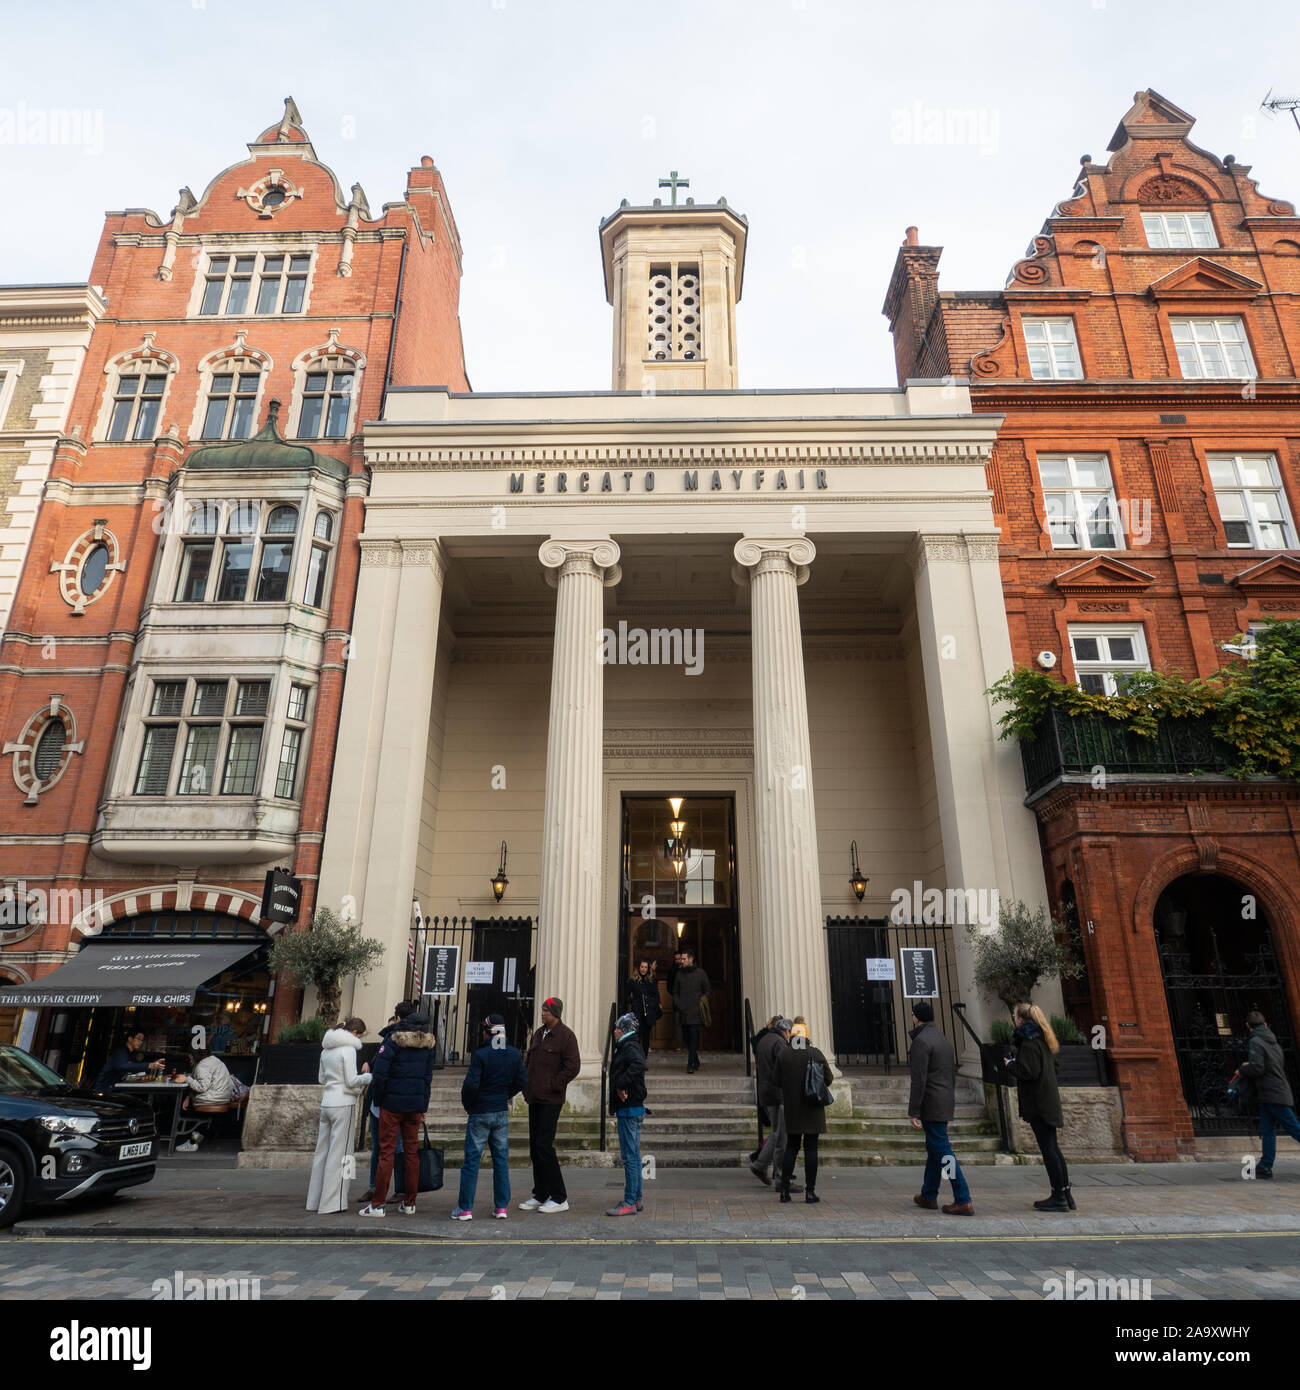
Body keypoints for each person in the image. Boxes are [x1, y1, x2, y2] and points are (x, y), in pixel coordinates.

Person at [361, 1008, 436, 1217]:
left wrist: (379, 1099)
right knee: (411, 1155)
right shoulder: (428, 1047)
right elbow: (427, 1079)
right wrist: (423, 1106)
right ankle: (410, 1202)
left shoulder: (393, 1042)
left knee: (386, 1153)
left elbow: (381, 1073)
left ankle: (377, 1205)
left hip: (392, 1106)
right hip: (414, 1107)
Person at [452, 1014, 528, 1220]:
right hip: (500, 1110)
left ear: (487, 1033)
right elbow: (522, 1080)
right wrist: (506, 1094)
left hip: (480, 1111)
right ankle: (501, 1206)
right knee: (501, 1160)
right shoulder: (513, 1054)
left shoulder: (481, 1055)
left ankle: (465, 1208)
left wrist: (469, 1104)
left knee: (472, 1162)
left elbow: (470, 1085)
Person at [1005, 1002, 1075, 1212]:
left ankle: (1058, 1197)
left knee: (1049, 1150)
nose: (1014, 1018)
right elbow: (1052, 1067)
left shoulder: (1029, 1042)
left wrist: (1009, 1064)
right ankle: (1065, 1193)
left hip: (1039, 1103)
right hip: (1047, 1099)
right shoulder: (1044, 1040)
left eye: (1015, 1015)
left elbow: (1029, 1072)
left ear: (1021, 1020)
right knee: (1053, 1148)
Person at [907, 1001, 972, 1214]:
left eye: (914, 1016)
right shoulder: (943, 1040)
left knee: (943, 1152)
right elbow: (950, 1076)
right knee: (935, 1150)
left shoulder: (921, 1042)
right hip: (944, 1101)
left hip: (931, 1104)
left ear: (916, 1018)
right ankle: (928, 1194)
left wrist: (914, 1111)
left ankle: (962, 1197)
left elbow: (919, 1079)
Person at [520, 997, 581, 1213]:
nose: (542, 1013)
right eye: (543, 1010)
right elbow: (529, 1063)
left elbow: (573, 1066)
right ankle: (541, 1193)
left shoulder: (566, 1036)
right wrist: (526, 1086)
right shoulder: (538, 1033)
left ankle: (559, 1196)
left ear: (555, 1013)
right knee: (535, 1148)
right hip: (534, 1097)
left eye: (546, 1010)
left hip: (551, 1100)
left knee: (545, 1147)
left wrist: (554, 1084)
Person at [306, 1017, 371, 1214]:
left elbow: (320, 1078)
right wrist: (368, 1076)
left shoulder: (326, 1050)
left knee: (322, 1154)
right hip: (344, 1104)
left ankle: (314, 1201)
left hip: (327, 1102)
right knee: (342, 1155)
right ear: (355, 1033)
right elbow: (352, 1081)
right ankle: (333, 1203)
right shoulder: (348, 1050)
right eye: (359, 1034)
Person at [358, 1001, 414, 1204]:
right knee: (379, 1148)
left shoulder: (397, 1041)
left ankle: (393, 1191)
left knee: (395, 1148)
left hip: (390, 1102)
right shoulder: (391, 1041)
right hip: (383, 1103)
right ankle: (377, 1188)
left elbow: (383, 1071)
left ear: (398, 1020)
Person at [1238, 1009, 1300, 1179]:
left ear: (1248, 1026)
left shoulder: (1256, 1042)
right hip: (1272, 1092)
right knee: (1267, 1131)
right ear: (1265, 1024)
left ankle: (1265, 1164)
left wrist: (1243, 1068)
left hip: (1273, 1092)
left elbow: (1258, 1068)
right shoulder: (1274, 1042)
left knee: (1295, 1129)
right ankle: (1265, 1166)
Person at [776, 1025, 834, 1203]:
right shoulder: (815, 1053)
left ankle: (784, 1191)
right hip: (812, 1107)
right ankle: (810, 1191)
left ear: (792, 1036)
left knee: (791, 1148)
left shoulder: (784, 1054)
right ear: (807, 1037)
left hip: (793, 1108)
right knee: (811, 1149)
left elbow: (776, 1079)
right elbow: (829, 1079)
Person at [606, 1012, 648, 1216]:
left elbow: (639, 1065)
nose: (614, 1031)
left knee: (629, 1157)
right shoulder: (627, 1045)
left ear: (624, 1029)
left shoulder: (629, 1046)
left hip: (629, 1108)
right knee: (633, 1155)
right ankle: (636, 1197)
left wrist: (621, 1084)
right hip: (632, 1107)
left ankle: (630, 1200)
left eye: (617, 1028)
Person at [752, 1017, 797, 1188]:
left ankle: (760, 1165)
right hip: (778, 1095)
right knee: (781, 1137)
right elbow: (788, 1067)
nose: (790, 1037)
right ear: (786, 1031)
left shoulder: (765, 1040)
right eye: (790, 1034)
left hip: (766, 1093)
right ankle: (779, 1177)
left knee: (777, 1133)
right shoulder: (779, 1043)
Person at [175, 1047, 236, 1152]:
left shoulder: (201, 1066)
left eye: (190, 1055)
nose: (189, 1058)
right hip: (223, 1097)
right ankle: (198, 1134)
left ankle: (190, 1141)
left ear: (195, 1055)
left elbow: (202, 1087)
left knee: (186, 1109)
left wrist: (186, 1079)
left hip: (213, 1098)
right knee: (191, 1104)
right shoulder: (214, 1060)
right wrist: (189, 1096)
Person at [671, 950, 711, 1073]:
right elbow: (675, 992)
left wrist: (702, 1002)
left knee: (694, 1038)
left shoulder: (701, 973)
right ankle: (696, 1060)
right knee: (687, 1039)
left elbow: (707, 990)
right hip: (683, 1012)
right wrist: (678, 1003)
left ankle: (690, 1064)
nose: (681, 961)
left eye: (684, 959)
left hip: (695, 1012)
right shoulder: (679, 974)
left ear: (691, 959)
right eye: (681, 959)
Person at [92, 1030, 162, 1092]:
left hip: (114, 1088)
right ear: (130, 1039)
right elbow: (122, 1066)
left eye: (142, 1040)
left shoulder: (131, 1053)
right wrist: (149, 1065)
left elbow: (131, 1068)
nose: (140, 1042)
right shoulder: (121, 1051)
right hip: (104, 1089)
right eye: (138, 1039)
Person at [627, 960, 662, 1056]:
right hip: (637, 1012)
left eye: (645, 967)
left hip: (648, 1013)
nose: (643, 969)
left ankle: (644, 1058)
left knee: (646, 1038)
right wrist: (633, 1002)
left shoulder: (651, 980)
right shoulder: (633, 981)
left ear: (648, 969)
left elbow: (656, 996)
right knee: (637, 1037)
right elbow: (626, 995)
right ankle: (637, 1060)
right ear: (639, 968)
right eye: (642, 967)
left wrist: (651, 1003)